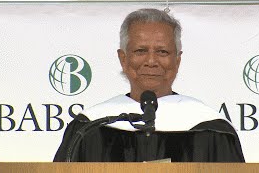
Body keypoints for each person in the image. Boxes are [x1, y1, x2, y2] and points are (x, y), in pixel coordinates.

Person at [53, 8, 245, 162]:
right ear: (123, 58)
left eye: (162, 52)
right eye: (140, 51)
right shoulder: (88, 128)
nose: (151, 61)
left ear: (177, 61)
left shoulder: (212, 129)